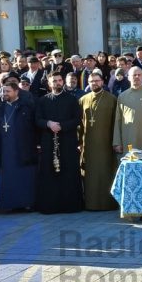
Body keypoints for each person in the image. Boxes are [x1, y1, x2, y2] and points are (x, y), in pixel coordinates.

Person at [34, 72, 84, 214]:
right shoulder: (42, 100)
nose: (57, 83)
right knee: (49, 172)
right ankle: (50, 206)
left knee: (68, 171)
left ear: (63, 82)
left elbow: (77, 119)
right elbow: (37, 120)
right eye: (54, 81)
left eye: (59, 80)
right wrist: (49, 123)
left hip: (67, 140)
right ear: (49, 84)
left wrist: (62, 126)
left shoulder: (71, 99)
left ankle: (70, 205)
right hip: (48, 141)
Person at [0, 82, 38, 212]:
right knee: (8, 176)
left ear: (16, 92)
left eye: (7, 91)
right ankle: (9, 205)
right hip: (6, 148)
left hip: (23, 146)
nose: (4, 94)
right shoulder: (0, 107)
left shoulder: (26, 106)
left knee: (25, 176)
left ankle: (27, 203)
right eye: (3, 91)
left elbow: (34, 127)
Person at [79, 72, 118, 211]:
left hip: (106, 144)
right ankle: (90, 204)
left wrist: (116, 141)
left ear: (102, 82)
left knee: (105, 173)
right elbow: (80, 124)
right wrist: (79, 142)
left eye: (97, 80)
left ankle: (108, 204)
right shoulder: (83, 99)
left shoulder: (112, 99)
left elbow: (116, 123)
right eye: (91, 81)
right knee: (90, 175)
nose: (94, 83)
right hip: (88, 145)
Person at [113, 66, 142, 154]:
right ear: (128, 77)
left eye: (139, 75)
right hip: (128, 139)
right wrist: (117, 142)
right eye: (134, 75)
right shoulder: (122, 96)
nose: (137, 77)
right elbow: (118, 120)